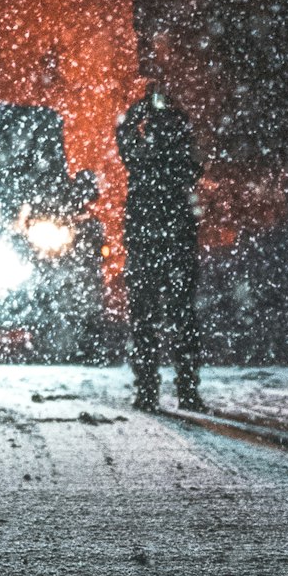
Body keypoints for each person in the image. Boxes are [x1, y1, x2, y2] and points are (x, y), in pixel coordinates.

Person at [116, 28, 204, 414]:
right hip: (176, 244)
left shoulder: (143, 160)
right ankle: (186, 391)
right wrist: (167, 107)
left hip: (148, 245)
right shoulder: (180, 161)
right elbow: (194, 162)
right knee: (182, 320)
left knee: (146, 322)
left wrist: (143, 107)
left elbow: (122, 134)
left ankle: (148, 392)